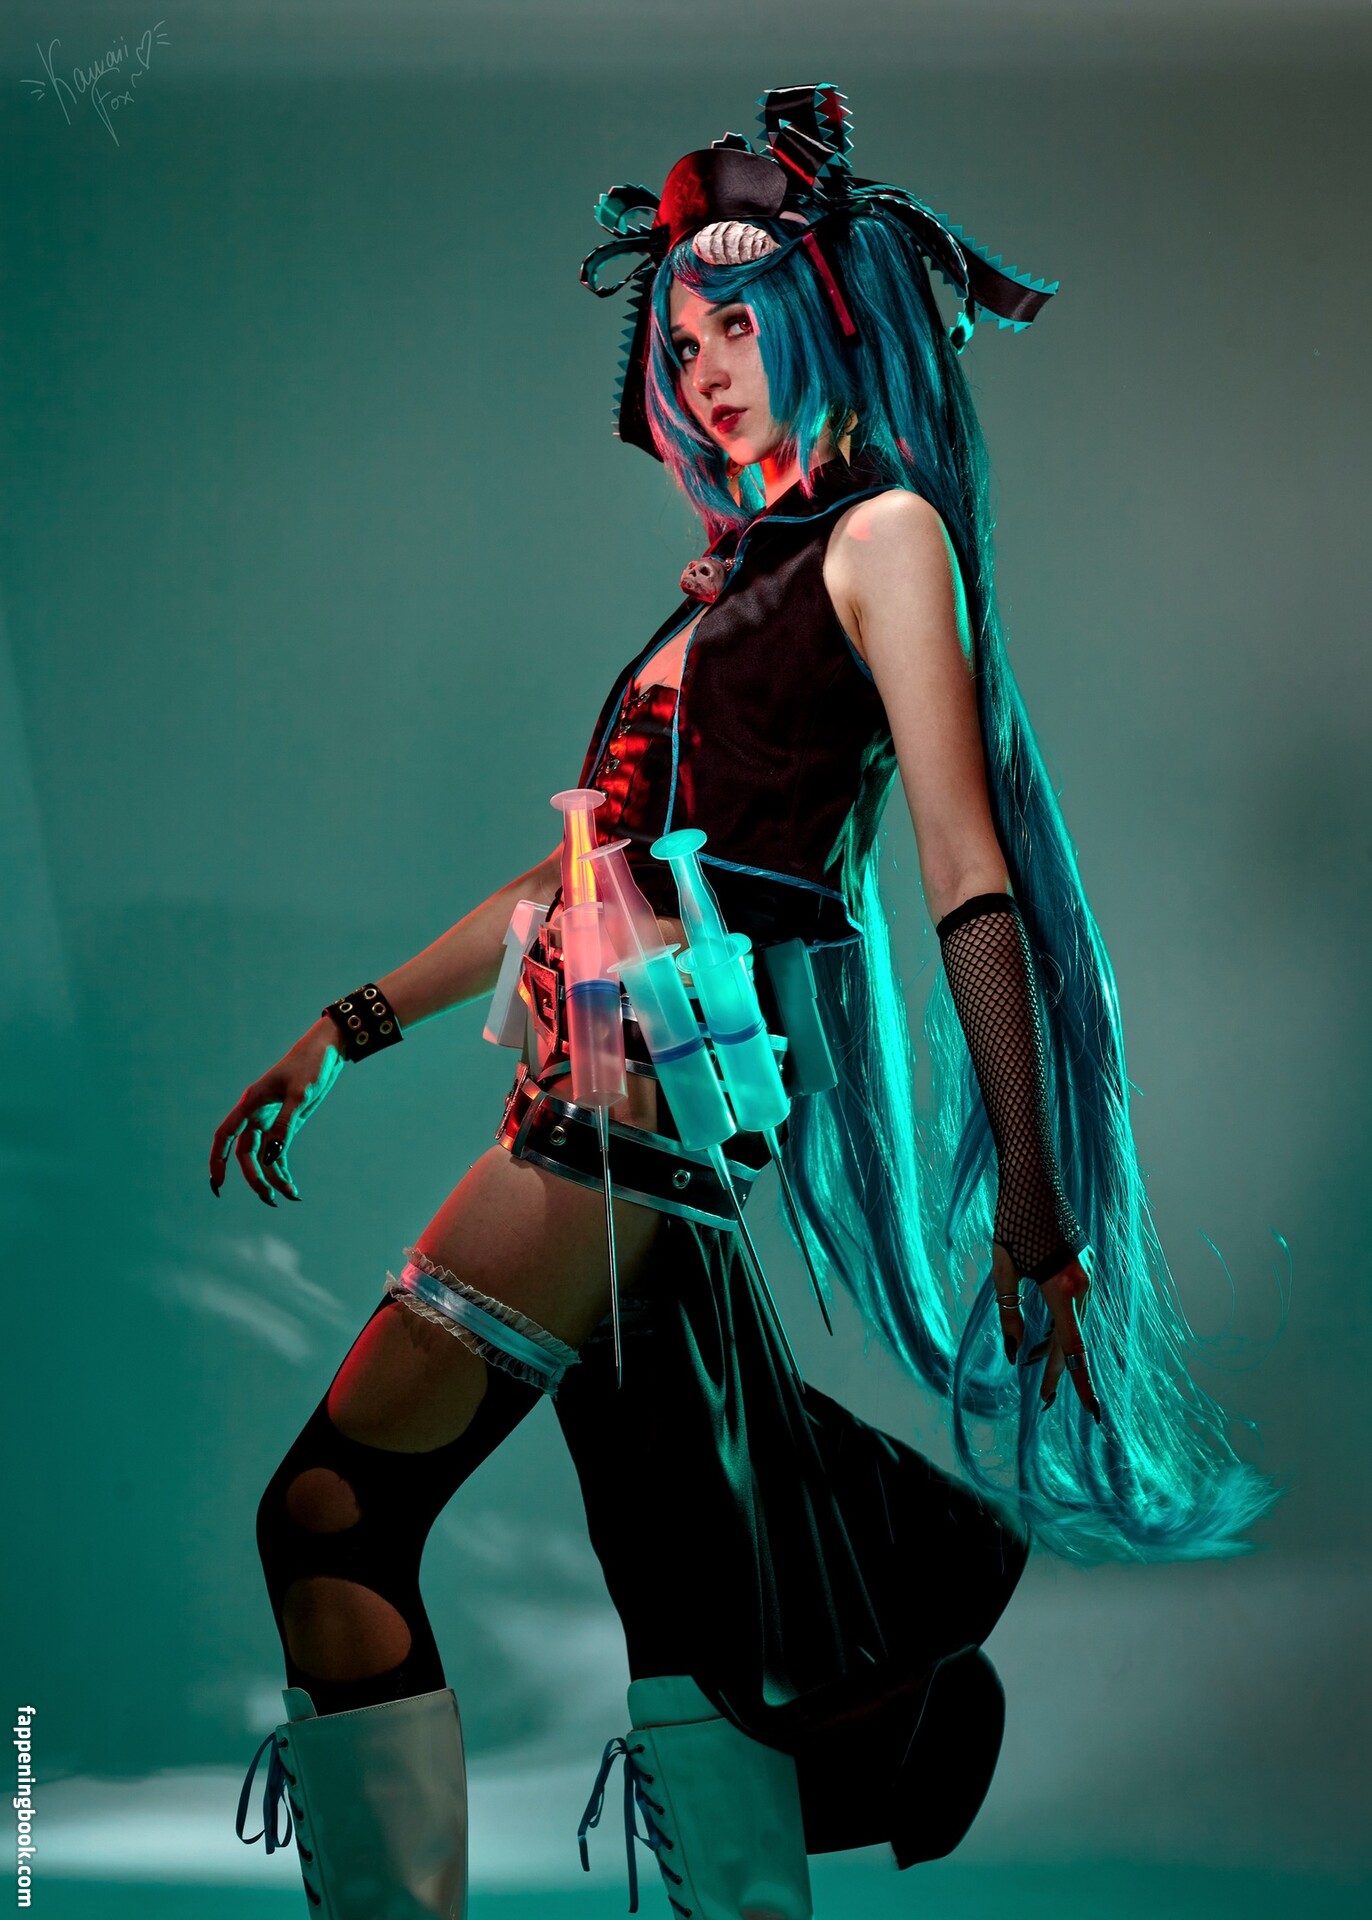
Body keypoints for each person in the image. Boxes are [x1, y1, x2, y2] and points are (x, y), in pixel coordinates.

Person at [222, 85, 1277, 1920]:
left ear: (826, 317)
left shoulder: (883, 543)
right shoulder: (736, 576)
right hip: (603, 1106)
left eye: (740, 325)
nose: (708, 370)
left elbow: (967, 874)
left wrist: (1033, 1194)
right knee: (699, 1611)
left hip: (633, 1120)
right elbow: (575, 878)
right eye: (685, 340)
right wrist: (348, 1027)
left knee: (328, 1513)